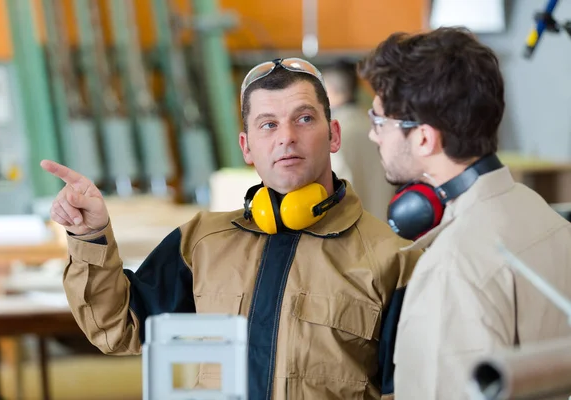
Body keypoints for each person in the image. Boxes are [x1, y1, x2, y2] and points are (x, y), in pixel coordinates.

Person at [41, 57, 423, 400]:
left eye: (304, 118)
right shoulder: (201, 242)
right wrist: (90, 235)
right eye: (268, 124)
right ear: (246, 146)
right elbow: (118, 329)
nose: (286, 136)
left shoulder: (393, 258)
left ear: (333, 134)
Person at [357, 27, 571, 399]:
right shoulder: (548, 220)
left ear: (424, 138)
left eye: (380, 122)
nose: (374, 135)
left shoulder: (453, 267)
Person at [322, 59, 395, 221]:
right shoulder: (376, 129)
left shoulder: (333, 136)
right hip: (384, 230)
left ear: (331, 91)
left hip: (349, 232)